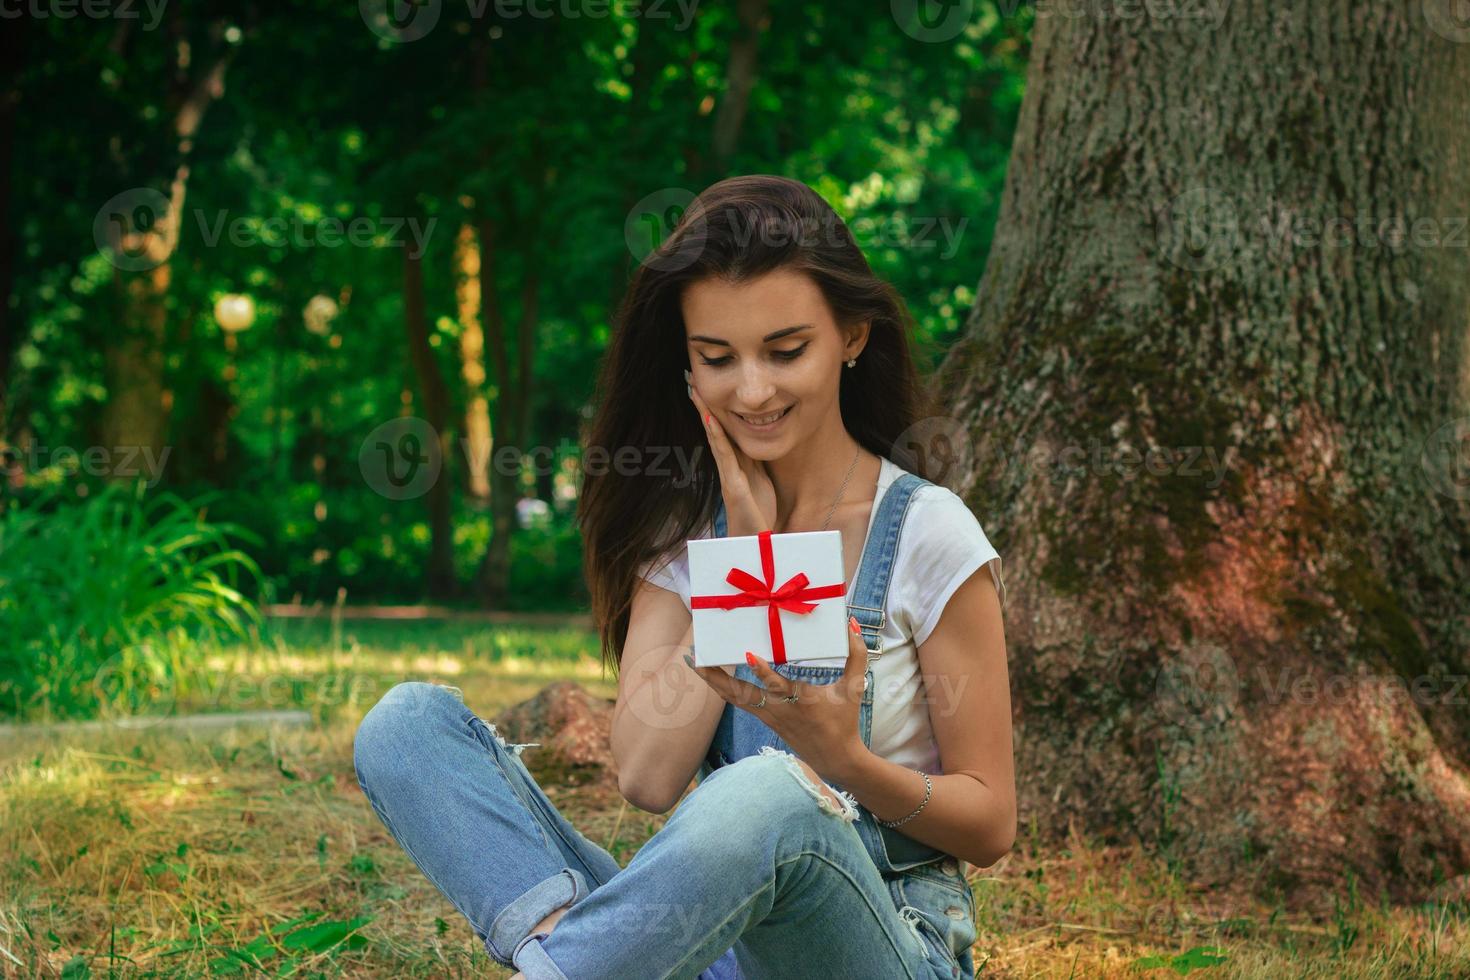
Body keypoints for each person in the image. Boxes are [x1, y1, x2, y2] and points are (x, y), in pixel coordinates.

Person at [353, 174, 1015, 979]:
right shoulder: (680, 538)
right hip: (715, 953)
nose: (753, 389)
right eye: (717, 357)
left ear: (852, 336)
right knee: (407, 727)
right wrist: (748, 558)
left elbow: (990, 822)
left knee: (770, 792)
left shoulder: (926, 531)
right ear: (687, 368)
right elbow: (647, 775)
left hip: (884, 946)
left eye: (785, 350)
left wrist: (846, 762)